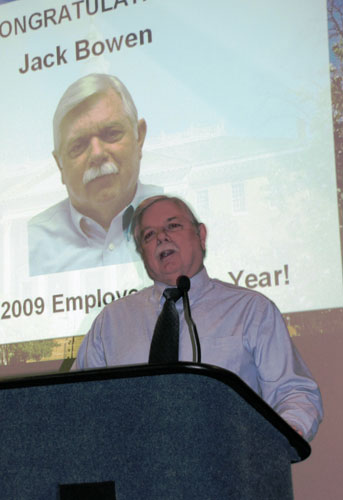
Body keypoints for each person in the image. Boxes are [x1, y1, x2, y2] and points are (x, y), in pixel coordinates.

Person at [73, 195, 323, 441]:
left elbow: (293, 392)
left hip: (232, 467)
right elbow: (74, 402)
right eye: (149, 235)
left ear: (201, 235)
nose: (162, 237)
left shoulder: (251, 310)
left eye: (173, 225)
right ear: (142, 253)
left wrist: (284, 437)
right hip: (133, 473)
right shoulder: (111, 321)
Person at [28, 73, 161, 276]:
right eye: (78, 146)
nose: (97, 154)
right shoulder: (33, 242)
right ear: (60, 165)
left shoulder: (180, 213)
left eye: (111, 134)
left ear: (139, 137)